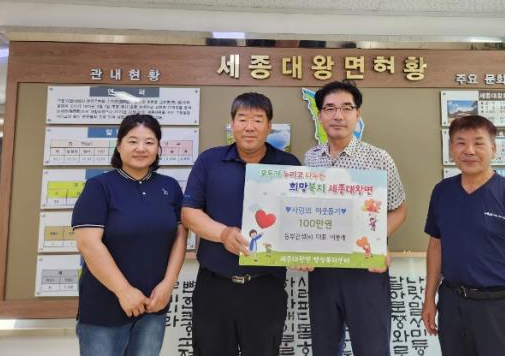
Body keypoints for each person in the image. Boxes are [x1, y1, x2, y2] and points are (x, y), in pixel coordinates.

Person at [421, 115, 505, 356]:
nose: (469, 151)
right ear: (451, 148)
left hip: (500, 309)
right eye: (461, 143)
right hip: (452, 305)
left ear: (493, 148)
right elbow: (436, 247)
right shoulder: (442, 192)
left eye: (478, 143)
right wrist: (429, 298)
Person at [181, 92, 300, 356]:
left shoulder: (288, 165)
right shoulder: (209, 161)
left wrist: (304, 251)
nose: (249, 126)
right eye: (242, 118)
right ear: (232, 123)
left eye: (258, 119)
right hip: (214, 286)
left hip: (265, 287)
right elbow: (189, 213)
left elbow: (299, 220)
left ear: (269, 126)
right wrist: (223, 234)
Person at [303, 81, 407, 356]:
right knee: (324, 348)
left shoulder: (378, 159)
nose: (338, 115)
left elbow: (399, 209)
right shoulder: (310, 159)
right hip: (322, 270)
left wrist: (378, 241)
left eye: (346, 108)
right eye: (330, 108)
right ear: (320, 115)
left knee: (372, 348)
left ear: (357, 114)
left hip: (365, 269)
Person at [72, 114, 187, 356]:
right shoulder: (99, 187)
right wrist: (124, 291)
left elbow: (179, 236)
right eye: (133, 141)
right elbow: (88, 243)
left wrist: (168, 284)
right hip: (104, 309)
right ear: (119, 146)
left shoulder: (169, 187)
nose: (141, 148)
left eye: (149, 142)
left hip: (153, 306)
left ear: (158, 148)